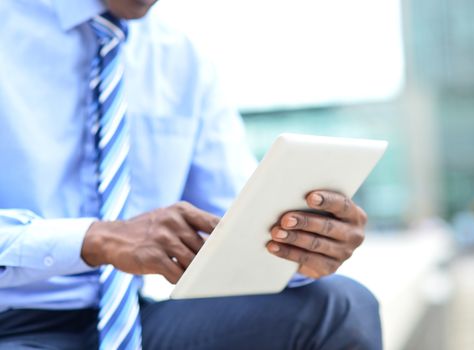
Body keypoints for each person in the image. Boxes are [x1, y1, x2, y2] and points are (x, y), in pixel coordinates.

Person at [0, 0, 382, 349]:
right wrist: (93, 239)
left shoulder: (180, 59)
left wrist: (302, 246)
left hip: (130, 321)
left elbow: (233, 225)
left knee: (341, 307)